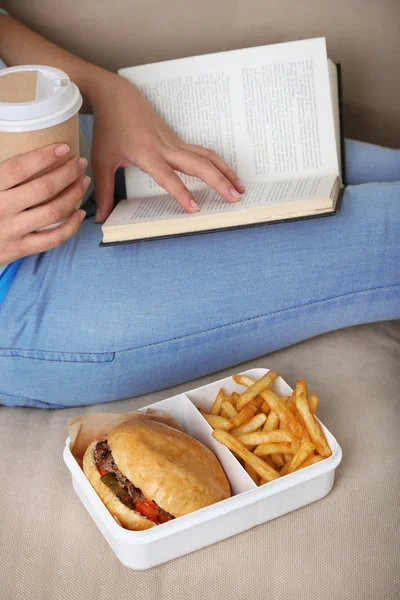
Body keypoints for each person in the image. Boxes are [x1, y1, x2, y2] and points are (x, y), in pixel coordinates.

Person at [0, 12, 399, 408]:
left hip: (52, 136)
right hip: (18, 291)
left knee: (358, 167)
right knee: (387, 232)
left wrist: (110, 92)